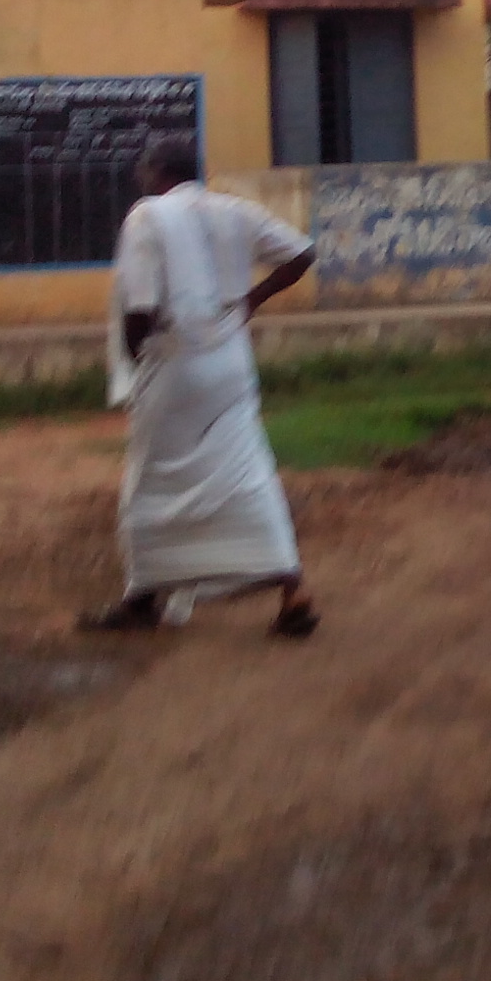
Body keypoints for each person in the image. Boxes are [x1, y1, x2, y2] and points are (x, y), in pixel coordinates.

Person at [81, 136, 320, 639]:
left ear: (159, 172)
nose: (142, 180)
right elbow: (303, 253)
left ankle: (142, 599)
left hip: (175, 364)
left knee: (149, 480)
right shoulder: (234, 211)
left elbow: (139, 311)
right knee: (247, 471)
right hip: (231, 362)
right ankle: (293, 590)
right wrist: (251, 299)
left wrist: (134, 362)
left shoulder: (147, 217)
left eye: (145, 171)